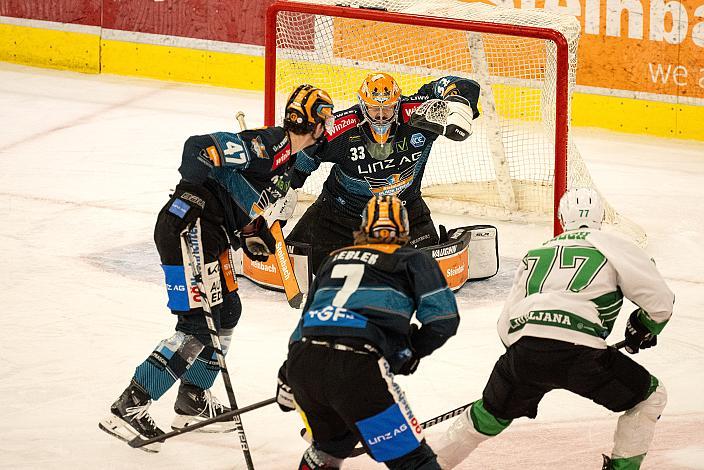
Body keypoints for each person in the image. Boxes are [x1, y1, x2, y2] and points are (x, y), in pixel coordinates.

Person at [98, 84, 334, 452]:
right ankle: (129, 404)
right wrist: (191, 194)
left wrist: (251, 234)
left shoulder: (285, 162)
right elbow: (197, 148)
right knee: (196, 325)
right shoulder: (267, 145)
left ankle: (191, 401)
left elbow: (238, 199)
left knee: (227, 312)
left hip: (215, 236)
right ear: (318, 124)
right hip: (189, 229)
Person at [431, 188, 674, 470]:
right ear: (602, 217)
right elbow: (660, 303)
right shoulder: (616, 246)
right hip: (583, 354)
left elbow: (505, 324)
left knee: (488, 415)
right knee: (650, 397)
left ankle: (429, 466)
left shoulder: (536, 253)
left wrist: (527, 368)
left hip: (524, 351)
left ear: (561, 218)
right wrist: (644, 327)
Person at [276, 194, 460, 469]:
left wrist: (286, 372)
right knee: (414, 461)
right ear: (405, 229)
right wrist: (408, 351)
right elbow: (444, 320)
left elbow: (306, 323)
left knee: (328, 449)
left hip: (304, 363)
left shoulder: (334, 259)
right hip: (357, 370)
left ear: (363, 228)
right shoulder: (413, 260)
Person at [287, 72, 480, 274]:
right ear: (362, 105)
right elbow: (304, 153)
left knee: (426, 271)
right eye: (373, 108)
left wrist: (459, 100)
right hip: (339, 216)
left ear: (397, 104)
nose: (380, 115)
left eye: (387, 108)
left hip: (406, 215)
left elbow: (457, 84)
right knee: (300, 263)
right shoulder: (340, 126)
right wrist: (286, 189)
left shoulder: (417, 114)